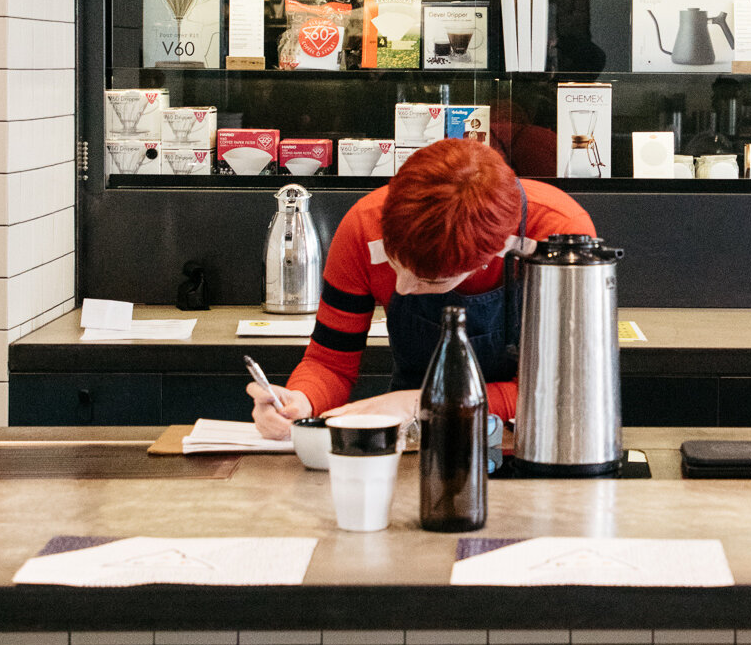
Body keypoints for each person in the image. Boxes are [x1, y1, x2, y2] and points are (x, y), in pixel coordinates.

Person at [247, 138, 596, 439]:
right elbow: (330, 363)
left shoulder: (559, 234)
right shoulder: (363, 226)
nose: (402, 287)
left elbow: (559, 391)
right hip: (414, 437)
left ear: (493, 254)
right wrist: (298, 401)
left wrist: (418, 403)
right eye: (396, 263)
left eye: (431, 282)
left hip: (531, 438)